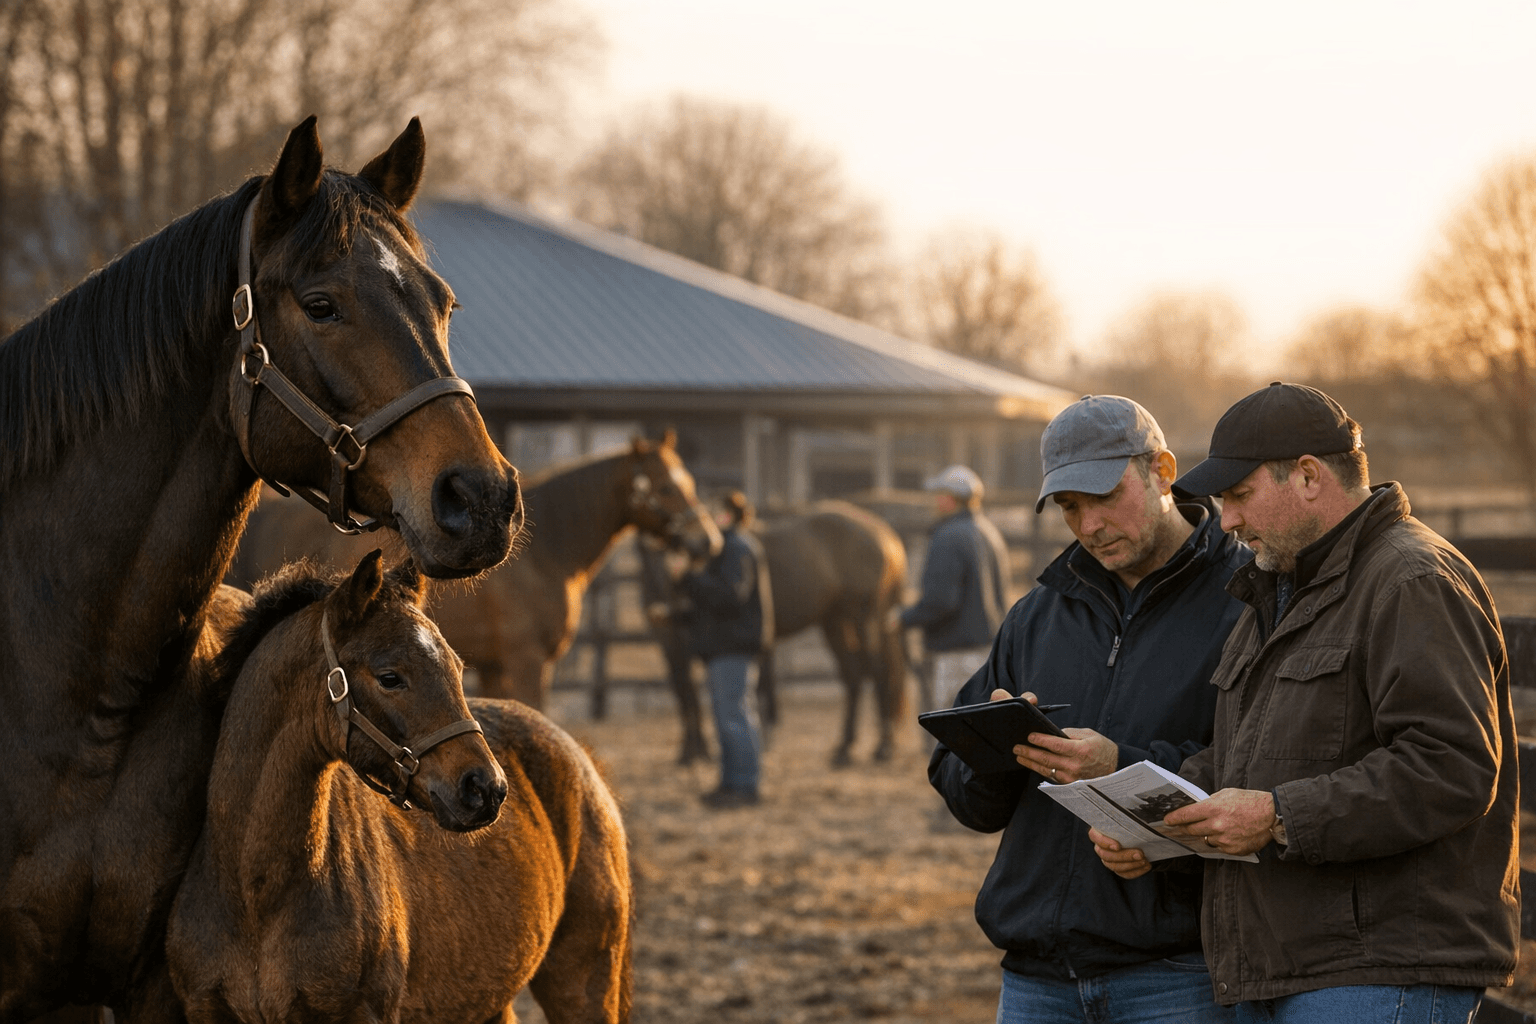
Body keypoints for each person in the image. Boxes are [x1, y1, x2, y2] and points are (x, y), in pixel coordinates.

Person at [1089, 382, 1519, 1023]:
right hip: (1291, 965)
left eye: (1239, 495)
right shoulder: (1278, 590)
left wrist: (1278, 815)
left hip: (1380, 970)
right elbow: (1252, 756)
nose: (1226, 521)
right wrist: (1153, 824)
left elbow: (1450, 766)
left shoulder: (1412, 580)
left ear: (1310, 476)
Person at [930, 395, 1249, 1024]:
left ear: (1162, 471)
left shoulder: (1248, 601)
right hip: (1035, 978)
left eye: (1104, 496)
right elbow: (963, 794)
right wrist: (996, 753)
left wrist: (1120, 768)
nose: (1089, 524)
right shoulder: (1036, 616)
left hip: (1178, 975)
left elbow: (1270, 770)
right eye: (1070, 507)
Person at [676, 490, 774, 809]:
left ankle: (744, 785)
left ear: (729, 515)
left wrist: (690, 579)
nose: (711, 518)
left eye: (716, 512)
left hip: (732, 646)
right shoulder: (728, 548)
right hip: (726, 645)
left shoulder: (736, 548)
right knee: (728, 717)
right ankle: (731, 783)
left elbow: (731, 596)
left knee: (734, 716)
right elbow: (715, 604)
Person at [898, 464, 1011, 711]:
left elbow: (941, 601)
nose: (934, 501)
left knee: (949, 723)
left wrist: (903, 618)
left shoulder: (947, 536)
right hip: (987, 652)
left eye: (938, 495)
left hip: (954, 655)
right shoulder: (989, 532)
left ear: (949, 499)